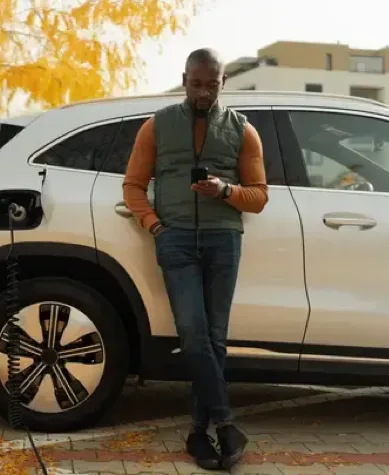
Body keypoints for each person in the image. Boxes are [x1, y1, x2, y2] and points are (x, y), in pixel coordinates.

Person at [122, 48, 269, 470]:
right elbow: (133, 185)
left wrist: (225, 191)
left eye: (212, 84)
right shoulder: (157, 125)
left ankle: (197, 433)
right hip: (176, 241)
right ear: (184, 79)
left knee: (215, 339)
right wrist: (154, 225)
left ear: (223, 83)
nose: (204, 91)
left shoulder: (244, 130)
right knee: (192, 334)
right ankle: (226, 423)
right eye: (196, 83)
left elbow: (258, 197)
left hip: (224, 240)